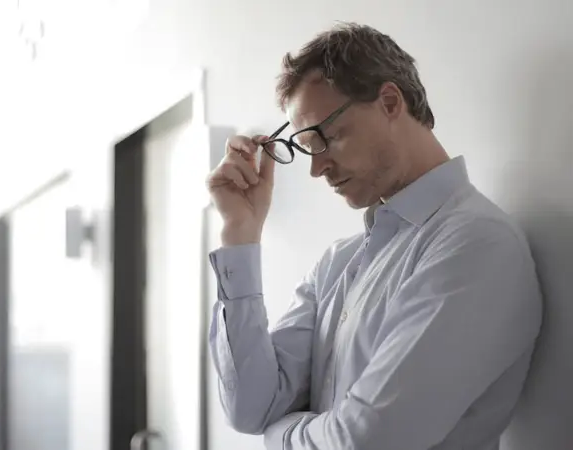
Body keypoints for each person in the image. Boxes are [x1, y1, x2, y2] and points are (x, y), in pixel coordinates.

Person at [205, 23, 542, 450]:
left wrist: (281, 435)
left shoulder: (476, 244)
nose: (316, 168)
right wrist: (240, 234)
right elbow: (251, 408)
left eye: (327, 138)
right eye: (308, 147)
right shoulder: (337, 263)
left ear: (389, 102)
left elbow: (365, 441)